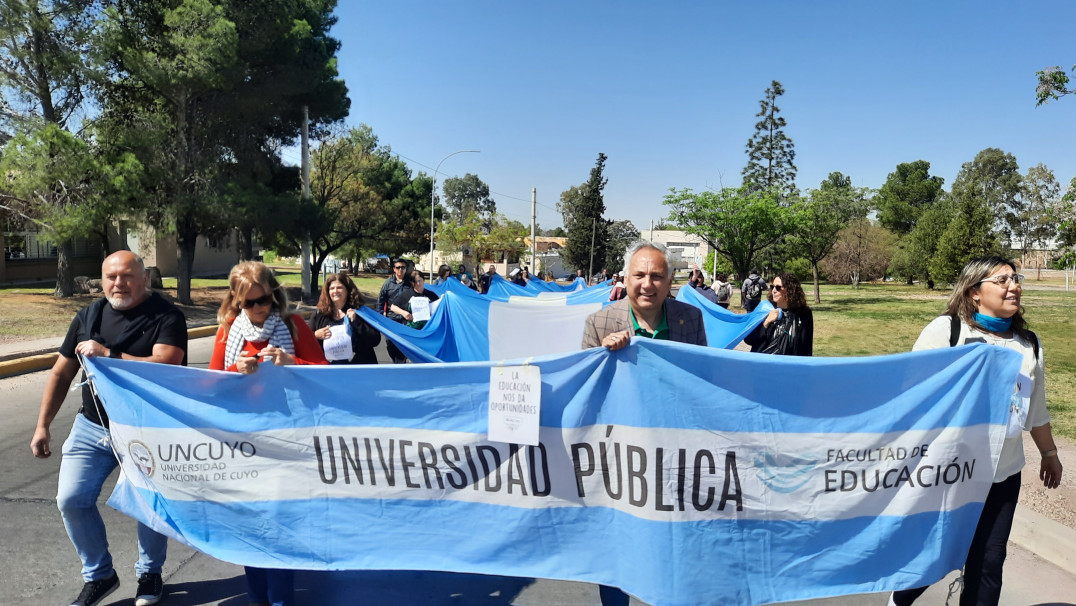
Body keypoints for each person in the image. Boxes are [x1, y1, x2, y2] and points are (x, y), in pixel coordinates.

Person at [889, 256, 1063, 606]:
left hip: (1003, 475)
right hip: (949, 473)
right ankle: (899, 599)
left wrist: (1049, 453)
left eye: (1016, 279)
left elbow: (1036, 408)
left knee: (988, 563)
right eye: (1001, 281)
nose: (1013, 286)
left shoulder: (1029, 344)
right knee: (934, 553)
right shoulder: (947, 331)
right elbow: (912, 393)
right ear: (974, 293)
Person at [31, 250, 188, 606]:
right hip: (92, 426)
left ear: (144, 278)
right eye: (111, 277)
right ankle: (100, 575)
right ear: (102, 281)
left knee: (146, 502)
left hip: (144, 429)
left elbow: (165, 365)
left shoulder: (166, 316)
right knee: (71, 499)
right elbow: (61, 372)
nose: (119, 283)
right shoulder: (88, 315)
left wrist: (109, 355)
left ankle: (150, 573)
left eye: (127, 276)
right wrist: (43, 425)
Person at [581, 242, 705, 605]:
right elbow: (588, 399)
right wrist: (602, 358)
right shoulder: (599, 322)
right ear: (625, 279)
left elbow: (700, 386)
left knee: (675, 549)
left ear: (670, 283)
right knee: (618, 547)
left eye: (656, 276)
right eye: (639, 275)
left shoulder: (690, 320)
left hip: (673, 457)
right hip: (621, 460)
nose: (647, 284)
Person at [209, 262, 327, 606]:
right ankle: (258, 598)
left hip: (287, 438)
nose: (259, 308)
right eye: (250, 303)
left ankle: (280, 600)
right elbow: (212, 386)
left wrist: (292, 362)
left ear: (274, 294)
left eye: (265, 300)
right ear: (236, 301)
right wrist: (235, 370)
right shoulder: (227, 330)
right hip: (243, 441)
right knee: (250, 525)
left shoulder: (293, 325)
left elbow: (325, 375)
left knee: (278, 525)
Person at [309, 272, 381, 365]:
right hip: (329, 372)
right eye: (331, 288)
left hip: (360, 370)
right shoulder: (319, 314)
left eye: (339, 287)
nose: (335, 291)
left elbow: (375, 340)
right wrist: (315, 335)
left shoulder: (361, 312)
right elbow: (304, 341)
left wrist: (356, 322)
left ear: (348, 290)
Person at [743, 273, 813, 356]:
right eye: (772, 287)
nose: (773, 291)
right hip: (763, 364)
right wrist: (766, 322)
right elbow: (748, 339)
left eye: (778, 287)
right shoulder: (764, 308)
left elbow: (806, 347)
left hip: (789, 365)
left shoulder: (803, 314)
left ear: (790, 290)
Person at [377, 258, 411, 363]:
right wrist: (379, 317)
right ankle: (397, 363)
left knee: (403, 346)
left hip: (406, 320)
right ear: (394, 269)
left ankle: (400, 366)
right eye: (398, 267)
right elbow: (381, 301)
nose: (400, 269)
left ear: (406, 269)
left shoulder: (410, 282)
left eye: (403, 267)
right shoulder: (388, 283)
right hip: (391, 319)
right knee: (390, 345)